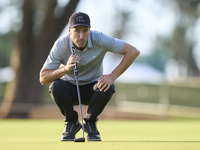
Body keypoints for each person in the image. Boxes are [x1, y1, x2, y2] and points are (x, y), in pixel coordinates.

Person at [39, 12, 140, 142]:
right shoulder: (61, 44)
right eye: (77, 31)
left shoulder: (99, 38)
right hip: (69, 88)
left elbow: (133, 51)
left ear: (89, 30)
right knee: (55, 86)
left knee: (107, 86)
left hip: (93, 88)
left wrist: (112, 76)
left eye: (85, 31)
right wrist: (65, 68)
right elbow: (43, 78)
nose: (81, 36)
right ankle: (72, 123)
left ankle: (90, 122)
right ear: (70, 31)